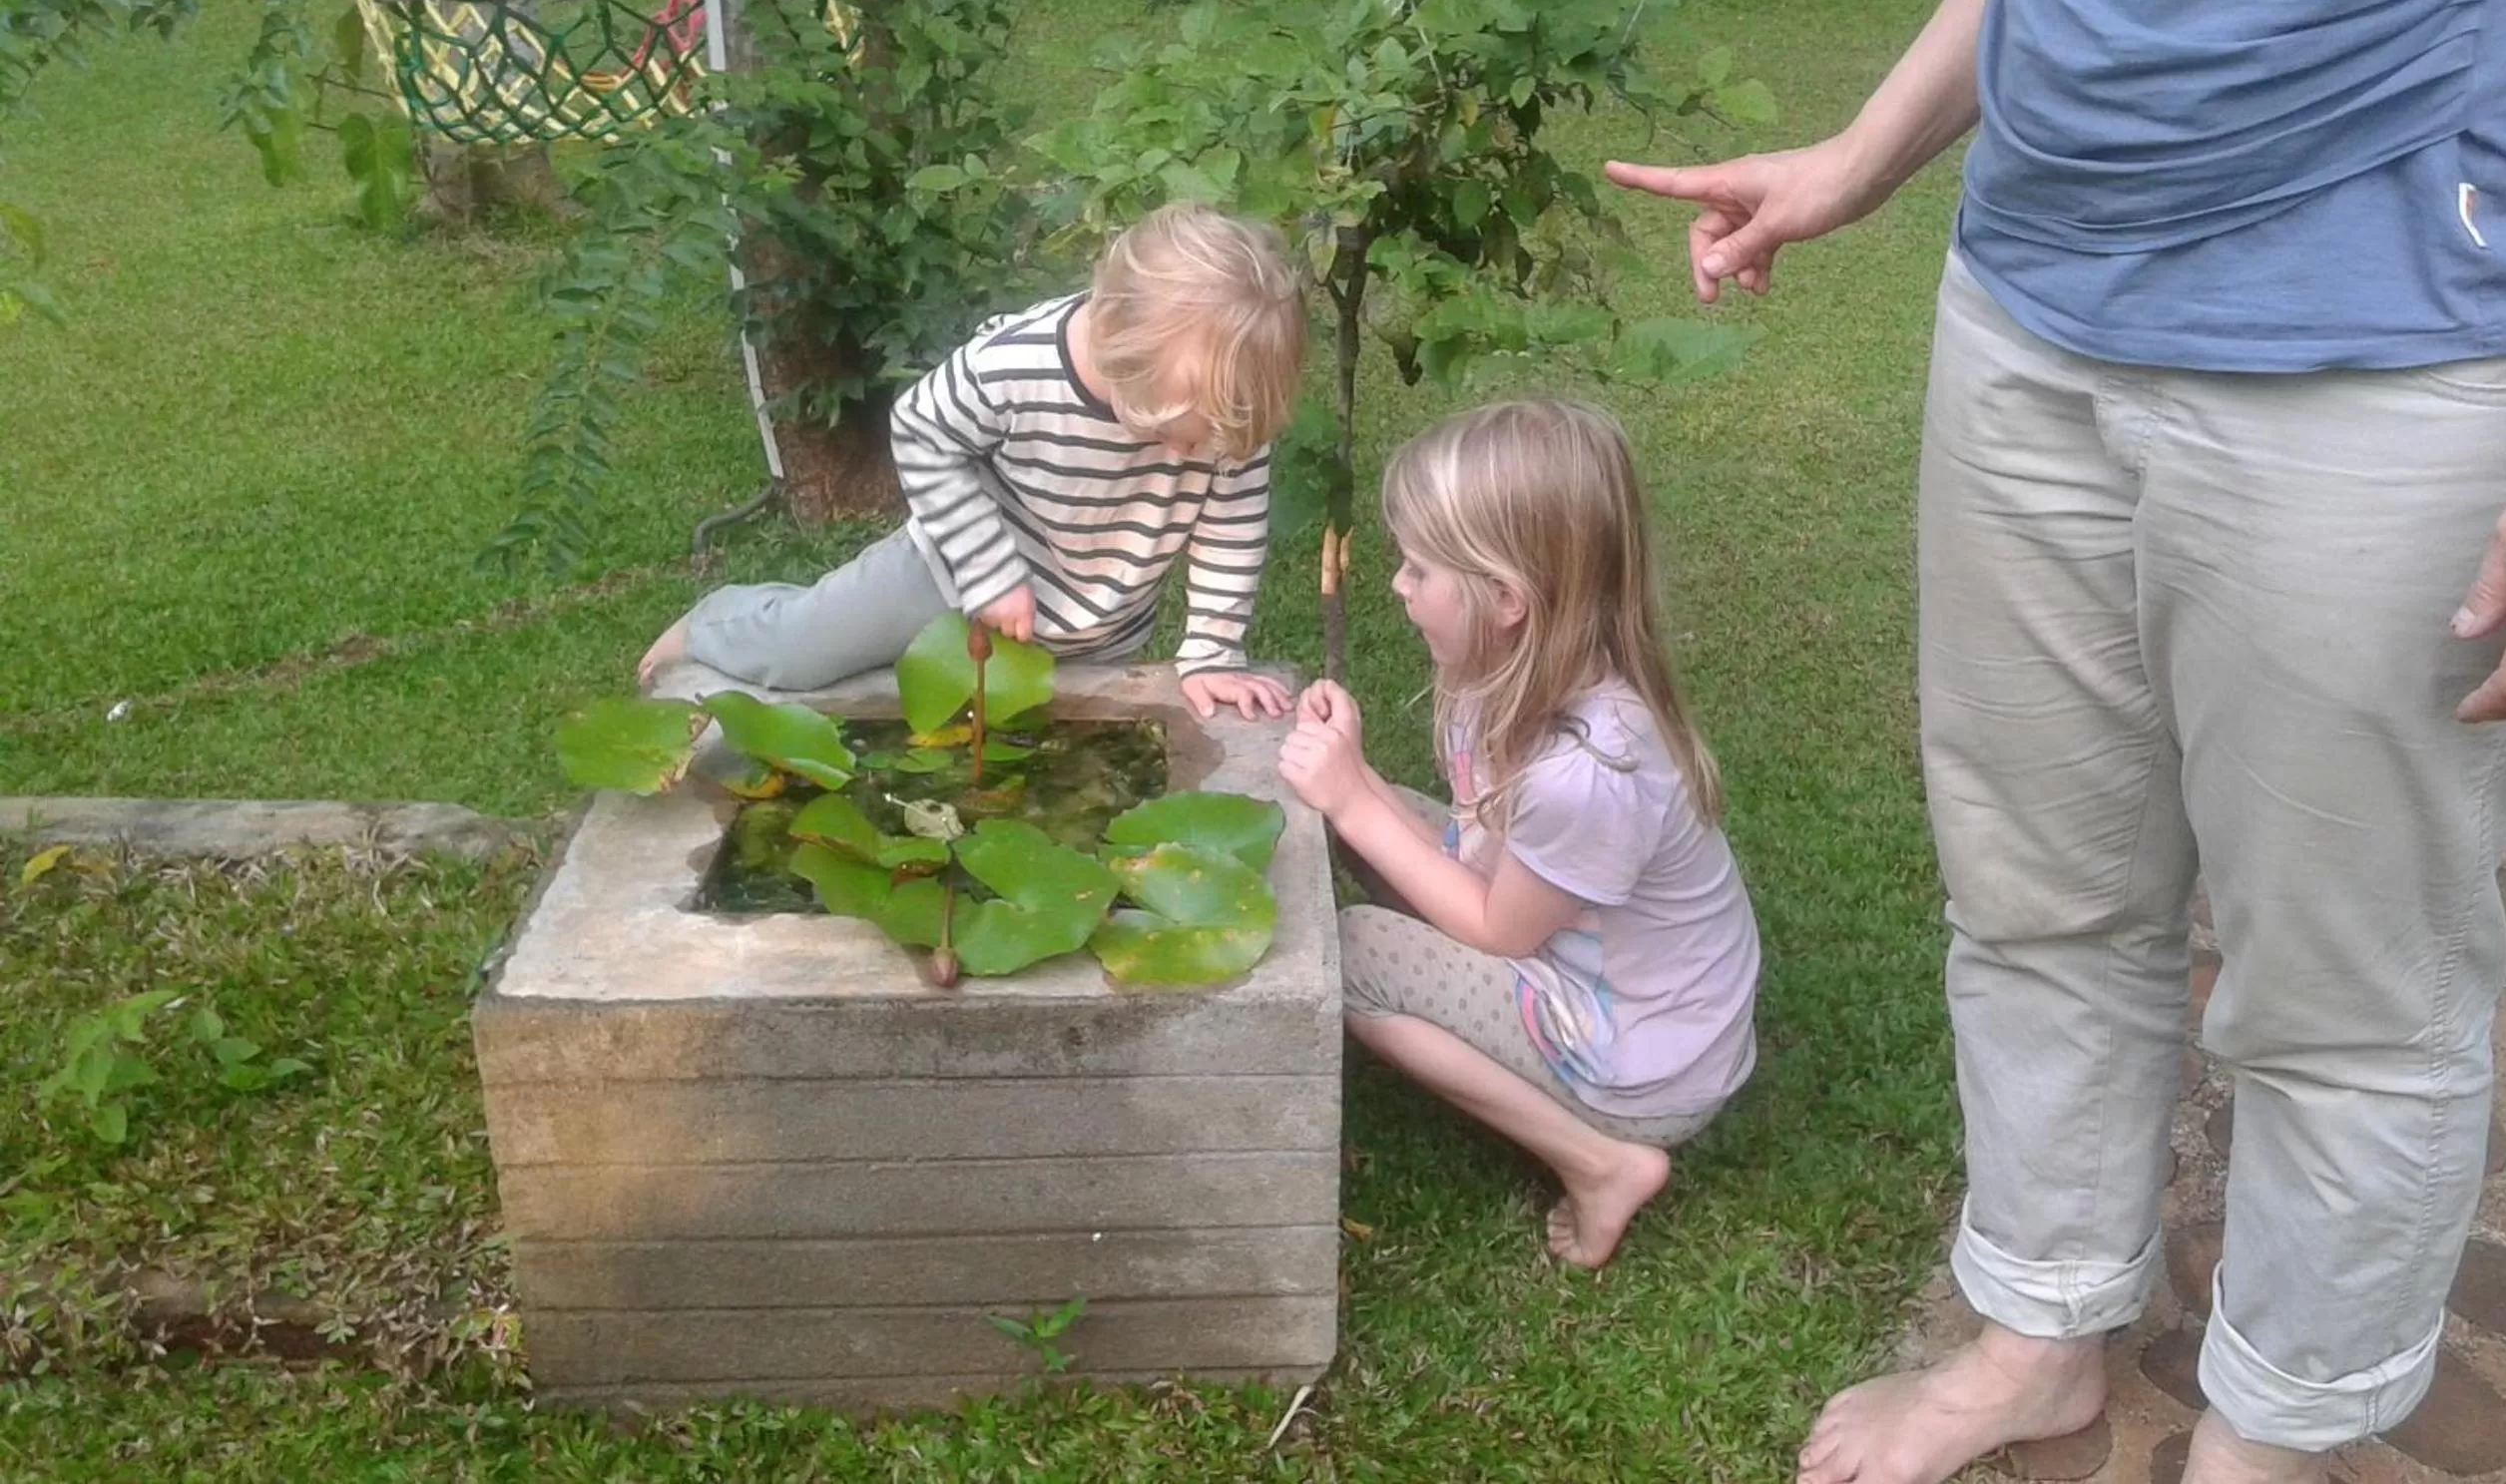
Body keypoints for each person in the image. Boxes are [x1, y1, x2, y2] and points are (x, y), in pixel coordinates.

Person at [1609, 0, 2506, 1480]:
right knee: (2035, 896)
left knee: (2348, 988)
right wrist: (1865, 153)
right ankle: (2040, 1334)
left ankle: (2275, 1435)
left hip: (2407, 330)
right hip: (2033, 297)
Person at [1277, 399, 1761, 1269]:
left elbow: (1500, 930)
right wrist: (1353, 778)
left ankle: (1602, 1163)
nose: (1398, 585)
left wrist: (1355, 798)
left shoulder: (1590, 772)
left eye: (1420, 568)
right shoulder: (1507, 670)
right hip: (1575, 953)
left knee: (1352, 959)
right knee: (1358, 827)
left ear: (1505, 599)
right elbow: (1480, 846)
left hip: (1644, 1060)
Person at [639, 201, 1305, 720]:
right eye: (1171, 437)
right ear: (1115, 348)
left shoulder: (1228, 403)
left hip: (1099, 622)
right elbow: (921, 430)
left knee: (1039, 744)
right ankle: (713, 625)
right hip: (945, 571)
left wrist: (1213, 651)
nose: (1187, 458)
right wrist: (989, 572)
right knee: (803, 652)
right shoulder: (1017, 364)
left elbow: (1231, 531)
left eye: (1202, 446)